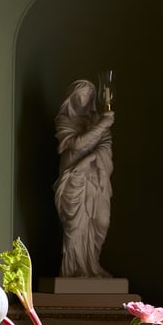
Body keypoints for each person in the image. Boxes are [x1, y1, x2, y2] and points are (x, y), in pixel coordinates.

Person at [53, 78, 115, 277]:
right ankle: (73, 269)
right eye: (81, 95)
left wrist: (89, 158)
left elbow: (105, 149)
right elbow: (76, 144)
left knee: (101, 221)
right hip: (74, 180)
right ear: (72, 98)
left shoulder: (97, 121)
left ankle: (92, 264)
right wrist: (102, 125)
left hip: (97, 180)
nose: (85, 99)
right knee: (75, 225)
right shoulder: (65, 121)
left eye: (89, 96)